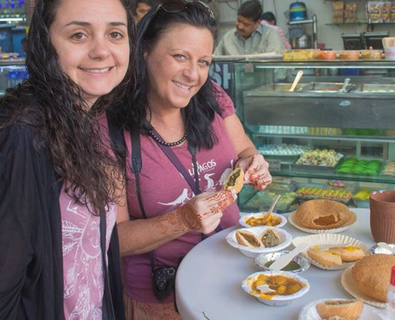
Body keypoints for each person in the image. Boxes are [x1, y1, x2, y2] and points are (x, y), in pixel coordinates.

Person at [0, 0, 135, 319]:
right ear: (44, 43)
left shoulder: (86, 117)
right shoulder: (17, 137)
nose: (101, 51)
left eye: (115, 34)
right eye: (79, 35)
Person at [113, 1, 272, 319]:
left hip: (235, 278)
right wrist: (181, 221)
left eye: (204, 62)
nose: (192, 74)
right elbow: (112, 239)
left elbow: (245, 151)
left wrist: (253, 164)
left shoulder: (211, 98)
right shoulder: (113, 128)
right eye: (180, 57)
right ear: (144, 49)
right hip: (161, 301)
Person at [213, 0, 284, 55]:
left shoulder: (270, 36)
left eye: (246, 24)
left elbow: (276, 68)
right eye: (238, 20)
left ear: (257, 23)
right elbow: (214, 63)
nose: (240, 26)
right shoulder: (227, 38)